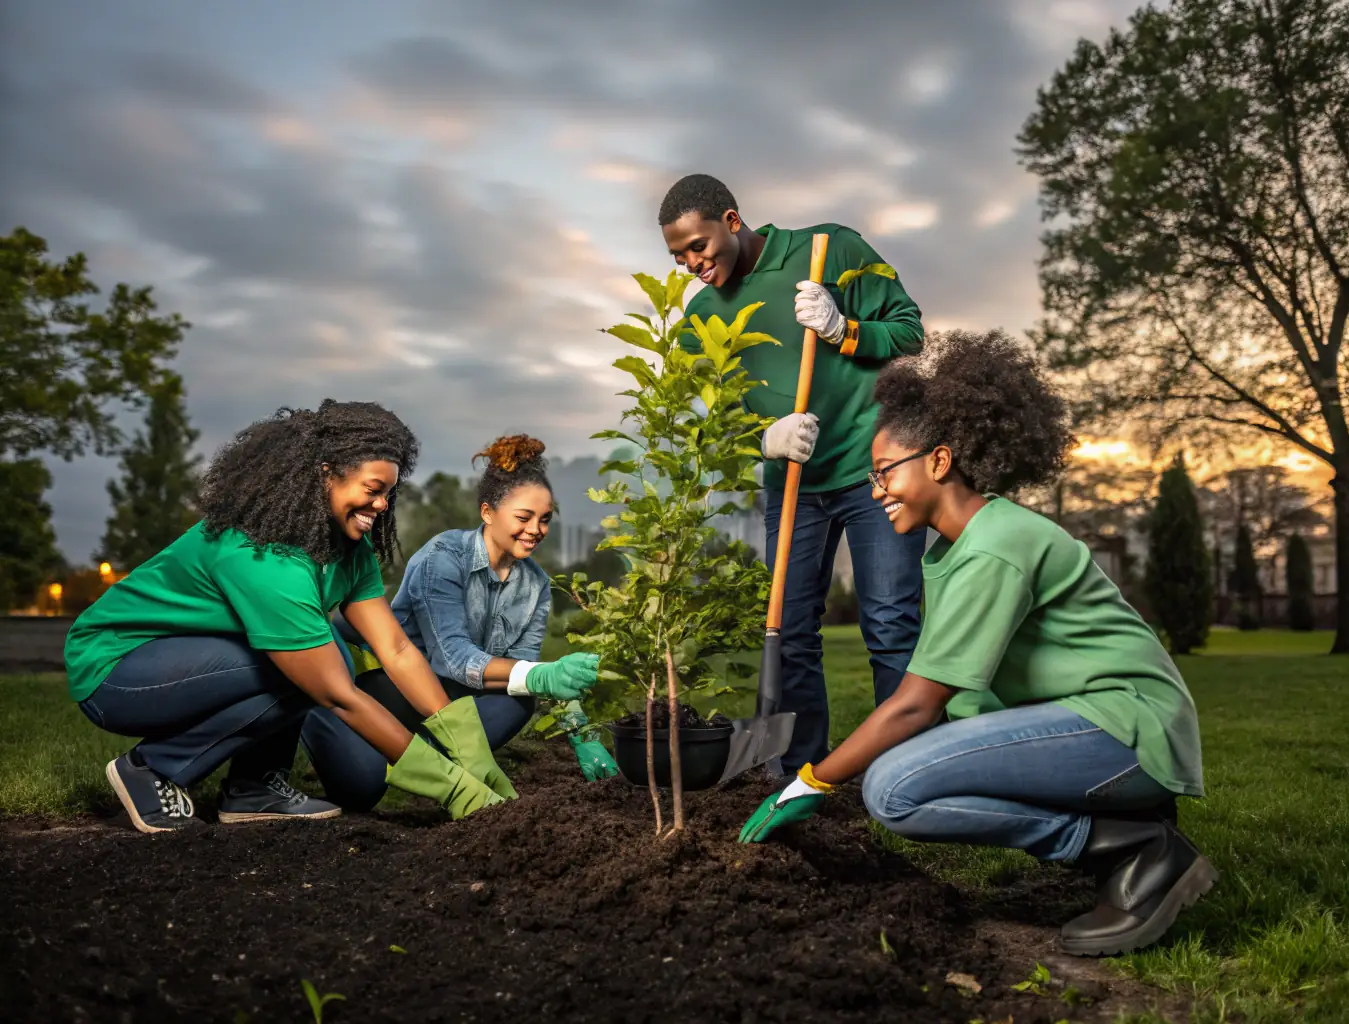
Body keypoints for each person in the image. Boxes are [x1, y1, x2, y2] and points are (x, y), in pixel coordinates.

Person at [736, 329, 1216, 958]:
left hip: (1129, 728)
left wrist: (811, 782)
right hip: (1095, 724)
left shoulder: (996, 545)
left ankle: (1136, 850)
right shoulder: (959, 544)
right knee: (923, 756)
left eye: (883, 473)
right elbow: (955, 696)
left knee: (893, 790)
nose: (876, 491)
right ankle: (1125, 832)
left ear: (938, 462)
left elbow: (915, 705)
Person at [64, 400, 550, 833]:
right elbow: (336, 695)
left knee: (317, 652)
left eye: (389, 493)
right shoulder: (263, 554)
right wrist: (450, 785)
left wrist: (463, 738)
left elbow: (396, 648)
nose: (382, 505)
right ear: (324, 473)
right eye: (372, 488)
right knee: (314, 665)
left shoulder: (348, 547)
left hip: (201, 660)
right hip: (119, 668)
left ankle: (255, 789)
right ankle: (152, 769)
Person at [658, 173, 928, 775]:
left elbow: (911, 333)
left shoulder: (830, 249)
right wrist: (763, 438)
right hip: (793, 486)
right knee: (791, 627)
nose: (691, 265)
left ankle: (909, 769)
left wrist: (842, 329)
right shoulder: (702, 316)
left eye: (698, 247)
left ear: (732, 221)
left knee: (889, 623)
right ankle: (804, 766)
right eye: (677, 257)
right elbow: (710, 422)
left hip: (874, 471)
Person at [312, 434, 617, 810]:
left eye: (544, 520)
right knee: (361, 790)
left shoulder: (535, 585)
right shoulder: (443, 558)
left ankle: (442, 764)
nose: (535, 530)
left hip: (451, 697)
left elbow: (523, 666)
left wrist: (580, 731)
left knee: (517, 699)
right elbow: (452, 658)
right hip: (389, 687)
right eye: (523, 517)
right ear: (488, 513)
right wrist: (541, 675)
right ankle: (367, 742)